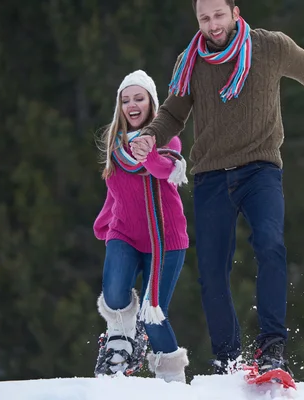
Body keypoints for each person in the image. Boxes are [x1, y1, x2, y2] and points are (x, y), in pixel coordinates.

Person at [130, 0, 304, 376]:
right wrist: (148, 136)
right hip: (211, 176)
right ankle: (228, 360)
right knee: (211, 272)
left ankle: (272, 348)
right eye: (204, 18)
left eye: (218, 15)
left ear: (235, 12)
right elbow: (174, 114)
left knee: (270, 245)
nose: (212, 25)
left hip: (260, 170)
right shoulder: (189, 61)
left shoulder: (270, 47)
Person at [92, 70, 190, 383]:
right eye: (126, 100)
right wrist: (104, 222)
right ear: (120, 106)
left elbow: (164, 171)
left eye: (139, 98)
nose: (132, 104)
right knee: (114, 292)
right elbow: (115, 190)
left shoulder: (167, 138)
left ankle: (173, 381)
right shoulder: (114, 143)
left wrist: (147, 153)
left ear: (151, 104)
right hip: (125, 233)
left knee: (153, 316)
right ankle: (120, 346)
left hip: (166, 240)